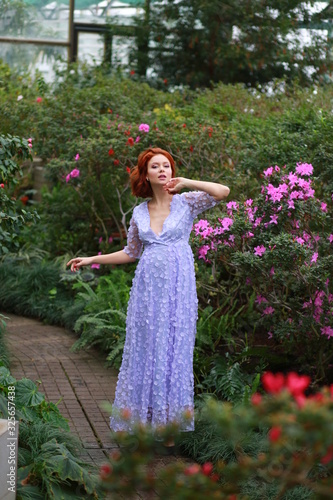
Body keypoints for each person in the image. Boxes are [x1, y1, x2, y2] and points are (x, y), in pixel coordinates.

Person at [67, 147, 230, 439]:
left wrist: (187, 182)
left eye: (166, 165)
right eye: (155, 166)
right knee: (146, 352)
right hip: (147, 293)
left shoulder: (187, 203)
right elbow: (131, 252)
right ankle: (141, 425)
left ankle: (170, 428)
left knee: (173, 352)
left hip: (178, 290)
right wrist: (93, 259)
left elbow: (223, 191)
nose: (162, 170)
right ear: (145, 175)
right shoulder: (139, 213)